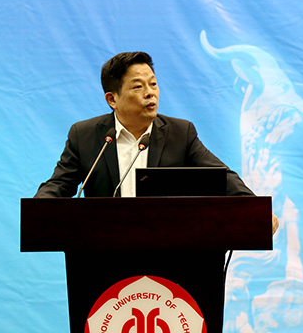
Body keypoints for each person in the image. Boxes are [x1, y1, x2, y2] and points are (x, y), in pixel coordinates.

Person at [34, 51, 279, 333]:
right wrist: (39, 210)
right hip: (103, 262)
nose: (150, 93)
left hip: (177, 263)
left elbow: (221, 177)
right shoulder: (86, 135)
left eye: (153, 84)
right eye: (138, 86)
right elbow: (59, 184)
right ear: (112, 99)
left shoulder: (180, 133)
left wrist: (253, 210)